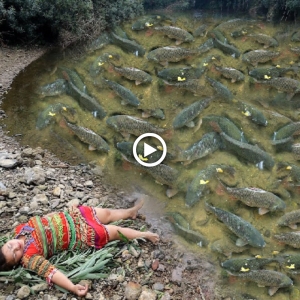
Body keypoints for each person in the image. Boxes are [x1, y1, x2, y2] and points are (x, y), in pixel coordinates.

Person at [0, 199, 159, 296]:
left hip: (74, 216)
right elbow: (52, 273)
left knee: (107, 213)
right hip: (81, 234)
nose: (16, 247)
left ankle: (130, 212)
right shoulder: (29, 258)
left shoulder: (18, 230)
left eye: (10, 246)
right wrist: (72, 287)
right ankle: (145, 235)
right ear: (17, 262)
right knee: (116, 232)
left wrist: (54, 215)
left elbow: (42, 220)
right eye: (15, 255)